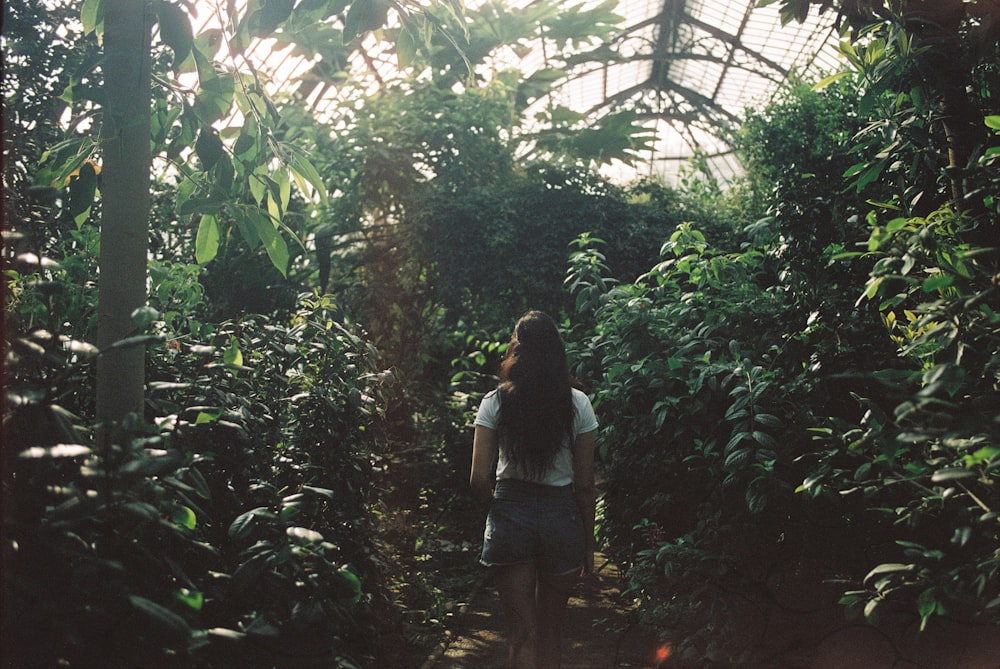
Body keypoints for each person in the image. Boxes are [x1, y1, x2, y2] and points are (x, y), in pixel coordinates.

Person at [469, 310, 598, 669]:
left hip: (511, 515)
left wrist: (498, 513)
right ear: (557, 352)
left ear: (516, 351)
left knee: (522, 633)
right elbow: (585, 485)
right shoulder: (578, 404)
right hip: (561, 519)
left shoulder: (495, 402)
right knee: (551, 632)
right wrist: (588, 543)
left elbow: (479, 479)